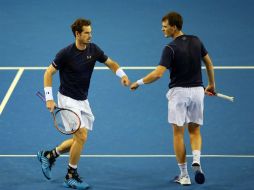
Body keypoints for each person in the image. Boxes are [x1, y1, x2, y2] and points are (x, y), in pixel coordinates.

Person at [37, 18, 130, 189]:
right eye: (86, 32)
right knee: (81, 135)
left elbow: (111, 63)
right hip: (66, 99)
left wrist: (122, 75)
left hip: (82, 100)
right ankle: (70, 176)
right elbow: (48, 73)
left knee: (78, 139)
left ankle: (49, 155)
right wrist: (49, 98)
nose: (90, 35)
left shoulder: (93, 49)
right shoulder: (65, 53)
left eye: (90, 32)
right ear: (77, 34)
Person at [130, 12, 215, 186]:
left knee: (178, 133)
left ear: (174, 27)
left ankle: (184, 175)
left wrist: (138, 82)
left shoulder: (170, 48)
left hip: (179, 94)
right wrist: (211, 84)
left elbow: (158, 74)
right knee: (195, 131)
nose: (162, 29)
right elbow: (208, 62)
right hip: (198, 92)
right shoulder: (197, 40)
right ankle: (197, 160)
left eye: (165, 26)